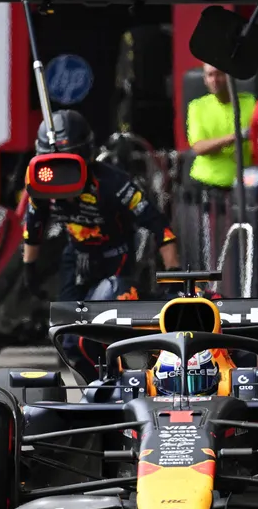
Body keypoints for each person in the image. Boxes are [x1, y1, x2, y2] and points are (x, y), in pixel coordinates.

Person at [23, 110, 181, 382]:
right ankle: (95, 391)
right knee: (68, 340)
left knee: (102, 335)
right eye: (52, 165)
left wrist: (175, 277)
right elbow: (33, 229)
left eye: (67, 165)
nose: (58, 174)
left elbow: (159, 226)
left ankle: (125, 385)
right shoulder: (41, 184)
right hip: (75, 259)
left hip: (115, 259)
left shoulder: (115, 183)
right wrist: (29, 269)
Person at [186, 63, 254, 190]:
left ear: (230, 76)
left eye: (219, 74)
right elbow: (199, 147)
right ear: (205, 80)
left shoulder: (250, 102)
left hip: (245, 182)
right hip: (207, 182)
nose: (214, 80)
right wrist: (235, 137)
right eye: (210, 75)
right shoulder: (197, 107)